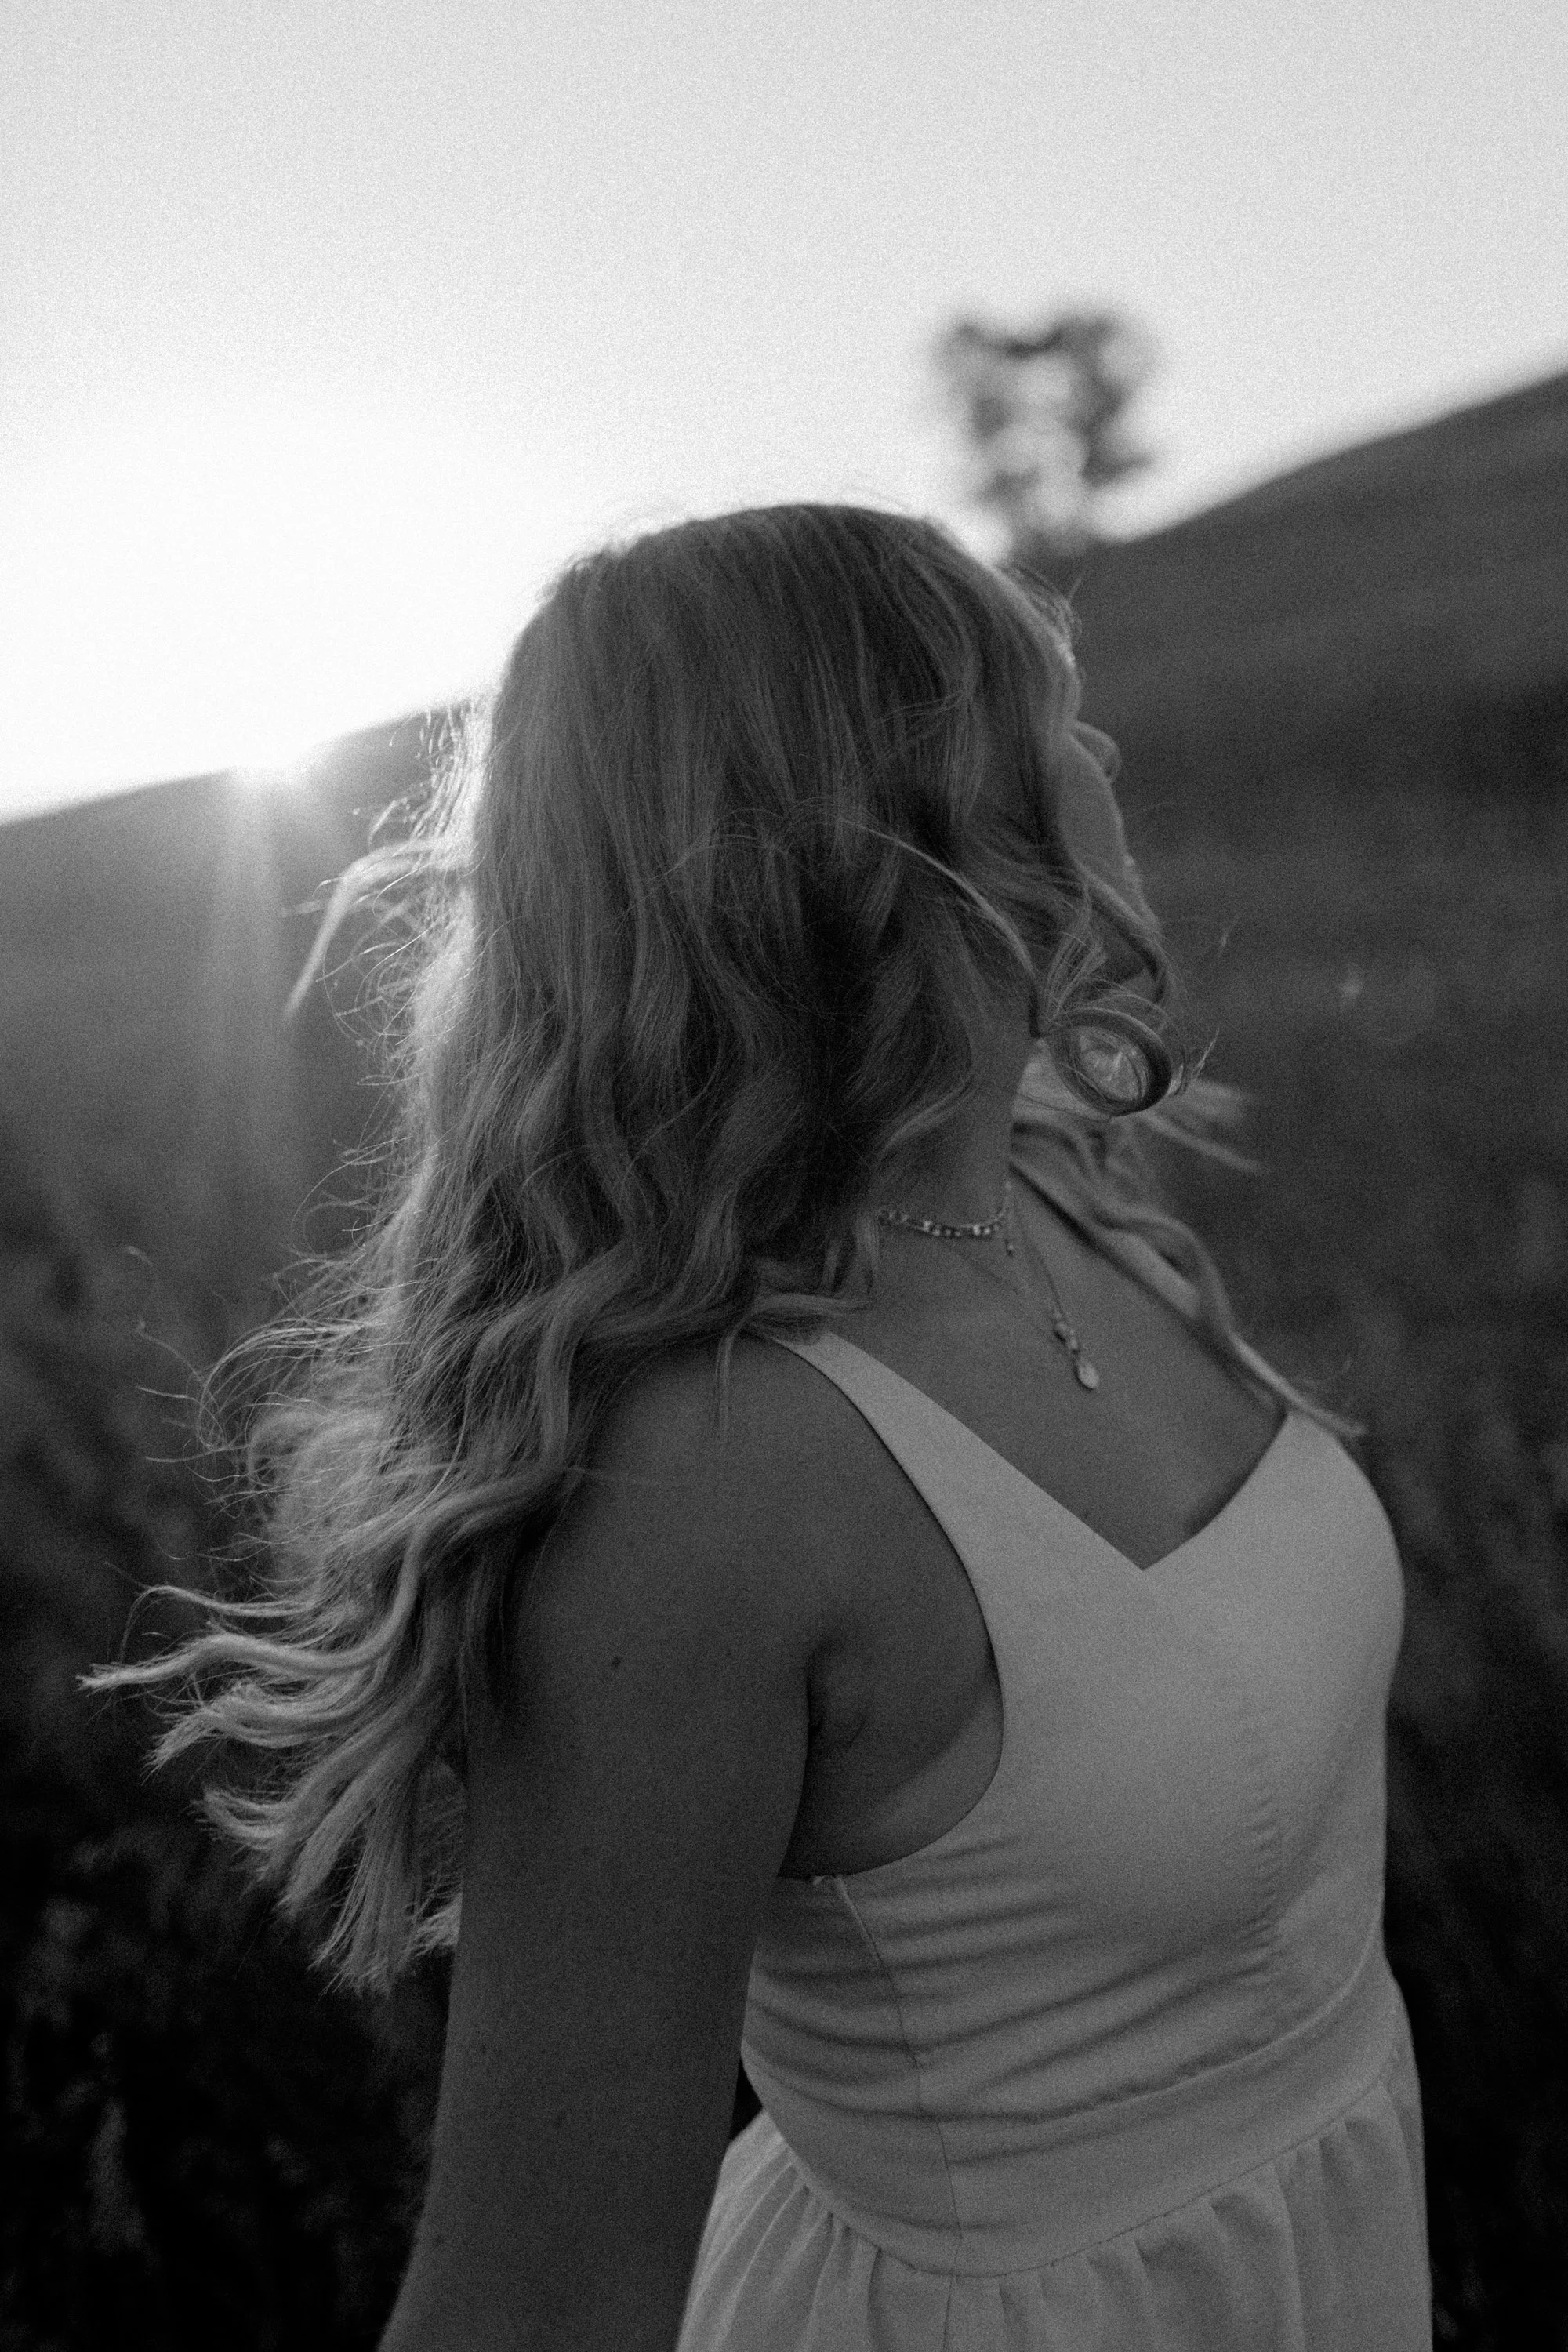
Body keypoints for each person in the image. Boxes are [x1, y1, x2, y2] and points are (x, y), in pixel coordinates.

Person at [89, 504, 1431, 2349]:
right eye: (1046, 714)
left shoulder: (1054, 1189)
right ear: (886, 823)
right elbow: (540, 2293)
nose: (1102, 749)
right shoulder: (703, 1484)